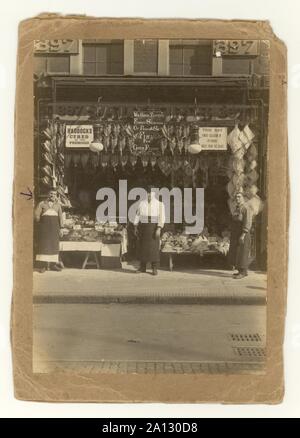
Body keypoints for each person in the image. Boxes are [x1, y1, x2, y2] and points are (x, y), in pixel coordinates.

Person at [134, 185, 165, 276]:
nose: (149, 195)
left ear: (154, 193)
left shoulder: (160, 204)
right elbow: (137, 215)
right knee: (142, 247)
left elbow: (162, 217)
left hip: (153, 227)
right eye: (147, 193)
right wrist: (136, 227)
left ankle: (154, 268)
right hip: (143, 227)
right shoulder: (141, 203)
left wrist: (159, 228)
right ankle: (142, 267)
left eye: (151, 193)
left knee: (153, 248)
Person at [35, 189, 64, 273]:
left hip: (55, 228)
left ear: (56, 196)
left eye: (54, 194)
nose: (52, 195)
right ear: (48, 194)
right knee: (44, 245)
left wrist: (61, 228)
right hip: (44, 228)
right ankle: (43, 266)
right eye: (51, 193)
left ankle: (52, 265)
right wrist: (41, 224)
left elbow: (60, 218)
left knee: (54, 245)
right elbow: (37, 215)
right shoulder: (42, 204)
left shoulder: (58, 205)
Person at [228, 192, 253, 279]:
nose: (237, 199)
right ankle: (240, 271)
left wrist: (243, 234)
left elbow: (248, 222)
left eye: (239, 197)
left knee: (243, 252)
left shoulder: (246, 208)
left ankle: (243, 271)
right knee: (237, 252)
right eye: (236, 197)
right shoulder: (237, 208)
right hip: (236, 232)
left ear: (243, 198)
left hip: (243, 233)